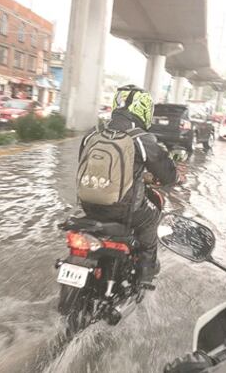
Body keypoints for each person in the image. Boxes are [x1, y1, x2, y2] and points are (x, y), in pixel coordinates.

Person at [76, 85, 178, 281]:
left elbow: (83, 164)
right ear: (144, 110)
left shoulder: (93, 133)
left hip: (88, 205)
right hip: (124, 211)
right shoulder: (141, 138)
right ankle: (145, 272)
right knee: (153, 218)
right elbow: (166, 174)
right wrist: (174, 177)